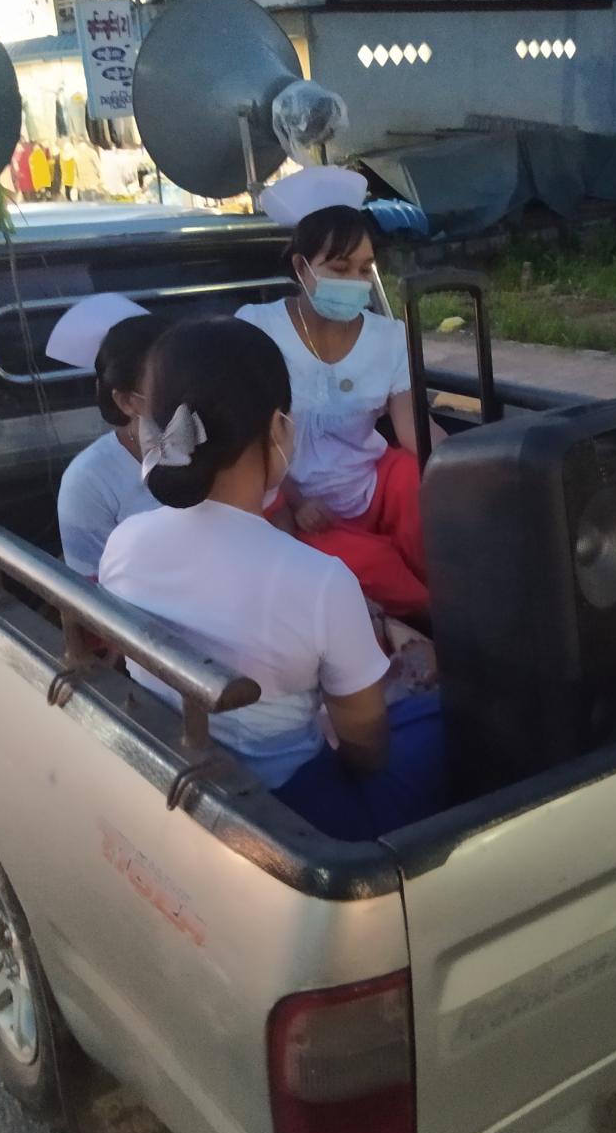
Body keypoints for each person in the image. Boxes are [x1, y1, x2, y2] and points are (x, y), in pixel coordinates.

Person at [98, 317, 446, 841]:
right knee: (450, 718)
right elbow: (367, 751)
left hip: (178, 774)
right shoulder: (320, 581)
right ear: (279, 428)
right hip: (293, 814)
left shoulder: (123, 544)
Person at [236, 165, 443, 620]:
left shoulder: (389, 337)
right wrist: (293, 499)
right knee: (378, 572)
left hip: (372, 486)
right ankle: (433, 618)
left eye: (365, 269)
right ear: (301, 267)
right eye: (340, 268)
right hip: (298, 505)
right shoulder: (256, 329)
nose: (355, 281)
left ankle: (447, 599)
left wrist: (477, 471)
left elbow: (416, 430)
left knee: (420, 487)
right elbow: (246, 439)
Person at [48, 294, 167, 578]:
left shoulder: (216, 440)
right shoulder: (88, 480)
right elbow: (89, 590)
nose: (188, 398)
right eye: (168, 388)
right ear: (126, 401)